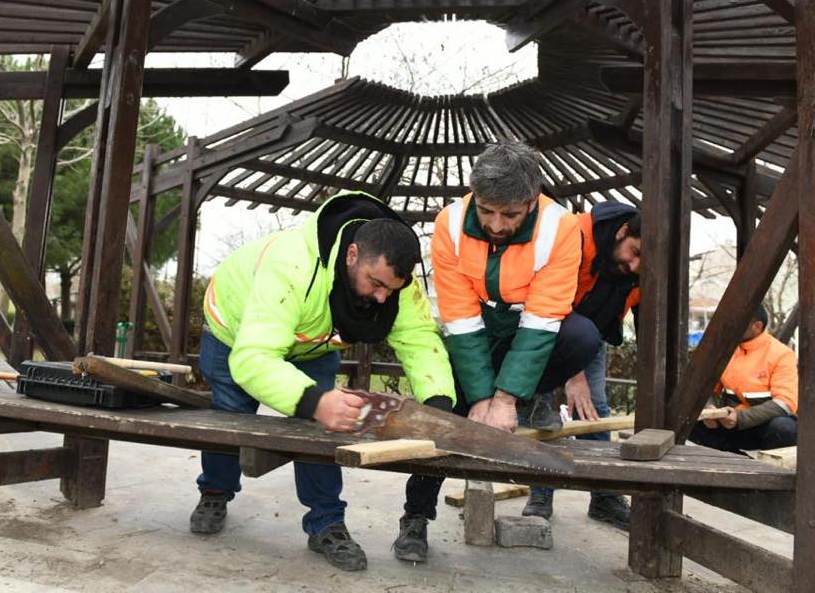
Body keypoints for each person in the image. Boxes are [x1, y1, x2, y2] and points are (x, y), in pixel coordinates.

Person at [192, 190, 455, 572]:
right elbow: (252, 359)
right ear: (352, 255)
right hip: (233, 332)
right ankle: (215, 492)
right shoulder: (291, 265)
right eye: (375, 283)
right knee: (231, 418)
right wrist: (315, 401)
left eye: (391, 290)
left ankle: (326, 523)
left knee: (322, 430)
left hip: (310, 345)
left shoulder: (394, 278)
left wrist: (438, 405)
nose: (383, 299)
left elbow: (419, 340)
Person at [391, 141, 601, 563]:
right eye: (486, 211)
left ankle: (529, 394)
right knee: (447, 410)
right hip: (477, 328)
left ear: (531, 201)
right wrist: (482, 398)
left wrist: (505, 400)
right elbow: (460, 317)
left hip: (529, 326)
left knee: (583, 337)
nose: (496, 224)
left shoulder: (560, 228)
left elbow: (543, 320)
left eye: (509, 214)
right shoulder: (449, 224)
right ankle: (415, 517)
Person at [521, 202, 641, 531]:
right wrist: (574, 376)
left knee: (595, 412)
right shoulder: (573, 233)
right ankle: (541, 493)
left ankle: (604, 495)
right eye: (633, 252)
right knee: (541, 412)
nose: (634, 266)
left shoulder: (641, 265)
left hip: (593, 335)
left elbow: (648, 322)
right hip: (544, 328)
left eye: (642, 261)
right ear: (622, 231)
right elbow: (552, 302)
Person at [689, 305, 798, 453]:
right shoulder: (726, 350)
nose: (732, 327)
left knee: (784, 429)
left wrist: (740, 417)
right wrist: (710, 410)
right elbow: (709, 389)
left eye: (739, 323)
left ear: (757, 326)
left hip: (762, 426)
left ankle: (768, 469)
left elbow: (785, 403)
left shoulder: (782, 354)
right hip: (729, 423)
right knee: (687, 420)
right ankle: (731, 460)